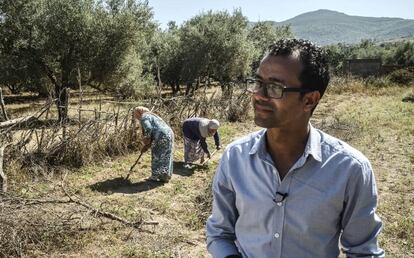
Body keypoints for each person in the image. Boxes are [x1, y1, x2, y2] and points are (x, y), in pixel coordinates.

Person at [206, 39, 384, 258]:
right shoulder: (235, 157)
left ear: (309, 100)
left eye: (274, 87)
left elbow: (364, 252)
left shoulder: (349, 169)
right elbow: (219, 233)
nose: (259, 95)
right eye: (257, 82)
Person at [134, 106, 174, 182]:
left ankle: (155, 176)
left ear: (138, 113)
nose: (136, 117)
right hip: (169, 134)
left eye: (136, 114)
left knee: (157, 155)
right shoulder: (152, 115)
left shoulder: (144, 117)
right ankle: (165, 176)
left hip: (160, 136)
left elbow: (148, 128)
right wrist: (147, 145)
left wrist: (146, 141)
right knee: (166, 155)